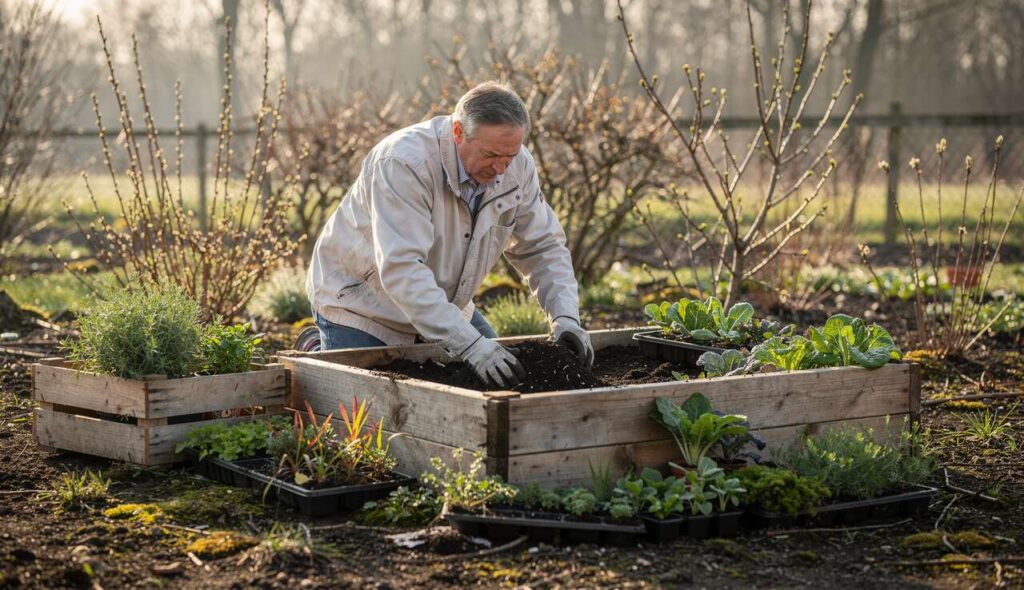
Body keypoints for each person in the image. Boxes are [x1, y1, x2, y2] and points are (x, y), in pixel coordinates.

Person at [306, 81, 592, 387]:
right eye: (491, 154)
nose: (501, 169)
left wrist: (566, 318)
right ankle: (314, 349)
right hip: (365, 305)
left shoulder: (516, 166)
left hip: (445, 302)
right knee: (364, 412)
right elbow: (402, 269)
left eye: (509, 156)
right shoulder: (404, 163)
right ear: (458, 132)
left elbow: (543, 247)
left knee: (507, 381)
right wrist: (470, 345)